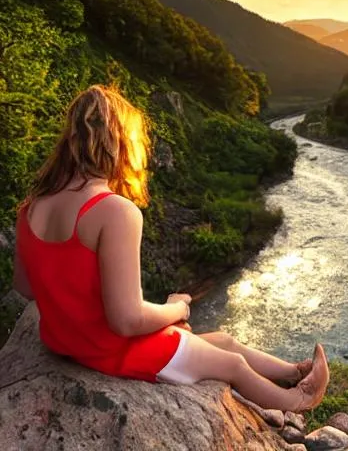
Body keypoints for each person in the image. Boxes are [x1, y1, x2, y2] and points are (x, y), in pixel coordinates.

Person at [12, 85, 329, 412]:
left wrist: (71, 297)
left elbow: (24, 286)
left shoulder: (32, 208)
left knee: (224, 341)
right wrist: (176, 308)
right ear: (123, 142)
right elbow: (127, 321)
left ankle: (293, 372)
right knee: (232, 364)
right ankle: (299, 398)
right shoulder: (114, 211)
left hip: (69, 343)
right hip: (111, 350)